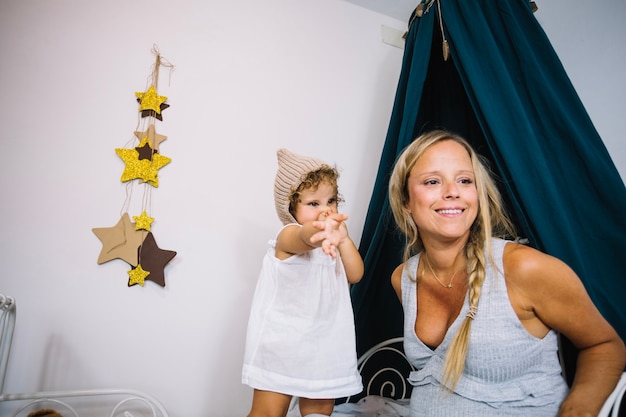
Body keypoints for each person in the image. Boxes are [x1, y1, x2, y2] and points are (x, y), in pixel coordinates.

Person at [388, 130, 626, 416]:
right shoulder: (404, 278)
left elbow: (604, 345)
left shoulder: (525, 269)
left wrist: (579, 410)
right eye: (432, 181)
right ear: (405, 200)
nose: (452, 191)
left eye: (465, 180)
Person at [242, 148, 364, 417]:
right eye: (313, 204)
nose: (325, 211)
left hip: (324, 344)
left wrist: (343, 239)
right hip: (282, 343)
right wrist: (319, 233)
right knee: (267, 413)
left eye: (331, 201)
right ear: (291, 208)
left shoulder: (336, 241)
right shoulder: (288, 236)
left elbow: (355, 275)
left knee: (319, 412)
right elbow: (305, 238)